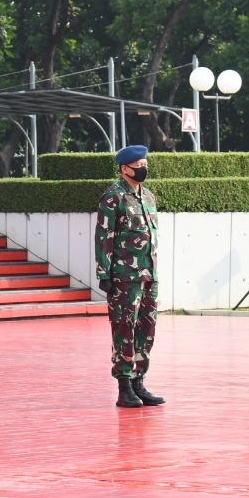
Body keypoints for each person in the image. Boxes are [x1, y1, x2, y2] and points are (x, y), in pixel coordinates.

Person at [95, 144, 164, 408]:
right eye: (139, 166)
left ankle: (139, 383)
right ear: (125, 168)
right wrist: (104, 272)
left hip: (149, 274)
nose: (144, 169)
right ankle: (124, 387)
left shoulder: (147, 196)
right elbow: (104, 237)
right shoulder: (113, 197)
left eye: (146, 164)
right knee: (125, 329)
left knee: (147, 329)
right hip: (124, 276)